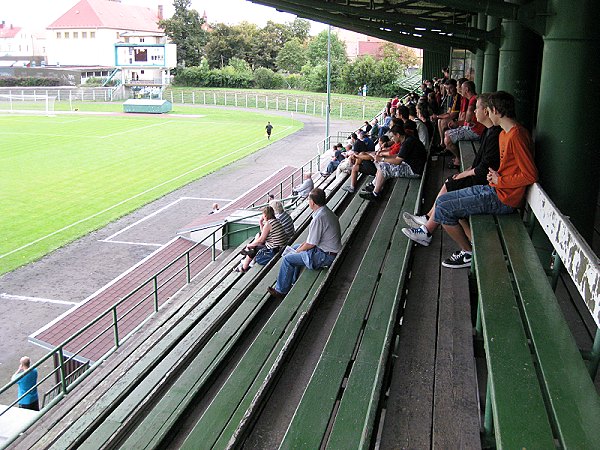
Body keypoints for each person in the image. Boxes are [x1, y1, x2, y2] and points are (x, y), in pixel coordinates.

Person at [403, 91, 537, 268]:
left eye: (488, 110)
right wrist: (495, 178)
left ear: (495, 110)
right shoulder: (505, 134)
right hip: (495, 189)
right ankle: (440, 234)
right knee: (443, 201)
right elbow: (507, 169)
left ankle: (468, 252)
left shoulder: (516, 135)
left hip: (504, 198)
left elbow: (530, 175)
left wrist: (499, 181)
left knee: (445, 210)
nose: (486, 114)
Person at [402, 93, 501, 243]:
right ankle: (428, 219)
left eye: (476, 108)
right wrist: (466, 172)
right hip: (483, 177)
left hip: (487, 182)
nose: (474, 111)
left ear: (486, 111)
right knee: (450, 182)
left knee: (451, 187)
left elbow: (483, 169)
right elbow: (479, 162)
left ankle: (427, 230)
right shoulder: (489, 131)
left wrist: (463, 175)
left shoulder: (495, 134)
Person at [268, 188, 341, 298]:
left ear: (312, 202)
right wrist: (299, 249)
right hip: (328, 250)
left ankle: (281, 291)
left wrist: (298, 251)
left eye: (308, 199)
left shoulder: (319, 218)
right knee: (296, 247)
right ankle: (292, 281)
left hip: (326, 256)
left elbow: (311, 244)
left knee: (287, 259)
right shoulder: (324, 211)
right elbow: (310, 242)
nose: (308, 201)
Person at [359, 123, 427, 201]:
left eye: (392, 136)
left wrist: (382, 159)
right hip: (414, 165)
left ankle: (375, 194)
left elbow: (398, 161)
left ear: (397, 135)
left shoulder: (407, 143)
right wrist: (383, 158)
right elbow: (398, 156)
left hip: (414, 170)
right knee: (383, 164)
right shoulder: (407, 139)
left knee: (383, 166)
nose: (392, 139)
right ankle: (375, 186)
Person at [236, 206, 288, 272]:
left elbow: (261, 240)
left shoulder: (269, 224)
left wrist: (250, 245)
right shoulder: (276, 220)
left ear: (265, 215)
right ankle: (246, 261)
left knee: (254, 249)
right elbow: (263, 233)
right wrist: (260, 223)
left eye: (263, 214)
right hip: (280, 247)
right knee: (255, 247)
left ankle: (244, 267)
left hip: (275, 251)